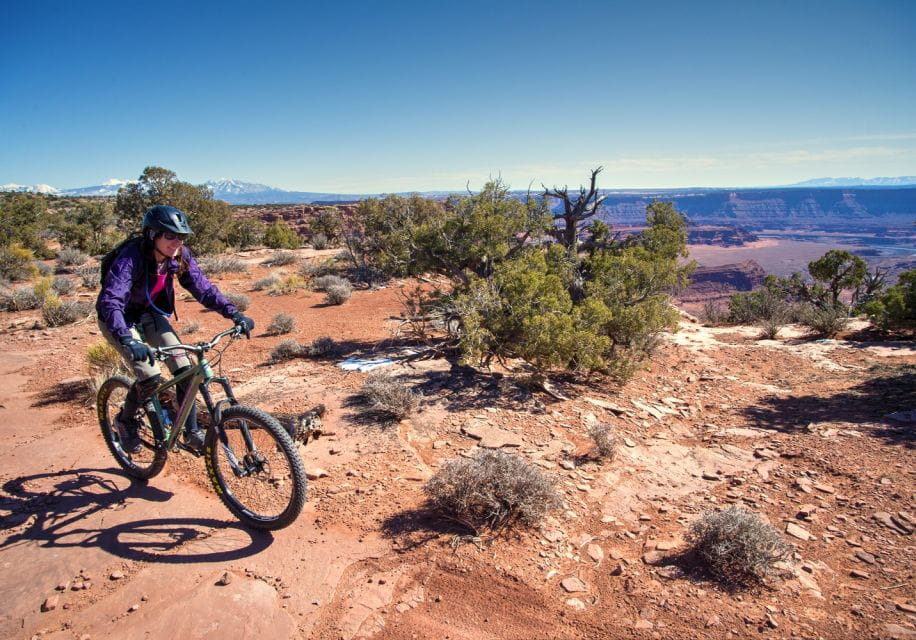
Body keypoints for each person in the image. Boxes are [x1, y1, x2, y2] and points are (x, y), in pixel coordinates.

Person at [96, 205, 254, 453]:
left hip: (151, 315)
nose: (176, 242)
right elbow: (111, 300)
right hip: (120, 320)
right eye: (169, 236)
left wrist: (233, 313)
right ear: (151, 235)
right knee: (149, 375)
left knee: (188, 372)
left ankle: (192, 432)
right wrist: (127, 339)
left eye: (181, 236)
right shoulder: (131, 258)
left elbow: (203, 288)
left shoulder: (179, 256)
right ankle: (125, 421)